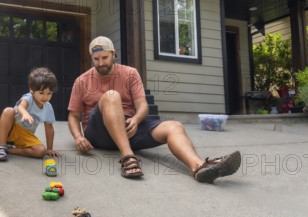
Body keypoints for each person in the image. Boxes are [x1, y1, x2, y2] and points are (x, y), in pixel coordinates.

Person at [67, 36, 241, 183]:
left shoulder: (130, 73)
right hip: (99, 134)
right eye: (96, 59)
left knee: (175, 126)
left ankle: (199, 167)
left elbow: (142, 106)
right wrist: (78, 137)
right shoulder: (82, 81)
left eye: (104, 58)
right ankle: (128, 157)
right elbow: (73, 116)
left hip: (129, 128)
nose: (100, 63)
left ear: (113, 54)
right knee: (112, 96)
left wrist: (135, 120)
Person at [0, 67, 61, 162]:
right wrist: (25, 114)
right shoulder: (29, 98)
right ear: (32, 90)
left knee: (41, 151)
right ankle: (2, 145)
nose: (45, 97)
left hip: (26, 136)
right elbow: (21, 107)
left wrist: (49, 149)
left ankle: (8, 149)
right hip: (10, 130)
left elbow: (49, 128)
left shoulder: (48, 107)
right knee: (9, 111)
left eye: (49, 93)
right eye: (41, 93)